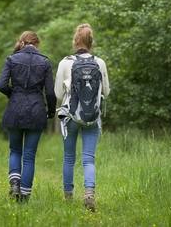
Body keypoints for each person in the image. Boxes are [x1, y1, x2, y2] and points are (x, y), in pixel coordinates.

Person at [54, 23, 110, 211]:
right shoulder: (99, 63)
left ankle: (68, 197)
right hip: (92, 117)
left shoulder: (64, 62)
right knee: (88, 159)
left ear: (75, 42)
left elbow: (59, 95)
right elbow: (106, 92)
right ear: (91, 42)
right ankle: (89, 195)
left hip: (70, 116)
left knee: (69, 157)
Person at [0, 31, 57, 203]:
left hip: (15, 108)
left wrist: (12, 94)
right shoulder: (44, 61)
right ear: (36, 44)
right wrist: (51, 111)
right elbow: (50, 92)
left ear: (22, 42)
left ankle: (14, 184)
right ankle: (24, 198)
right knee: (29, 155)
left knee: (15, 150)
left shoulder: (11, 59)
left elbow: (1, 85)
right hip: (37, 110)